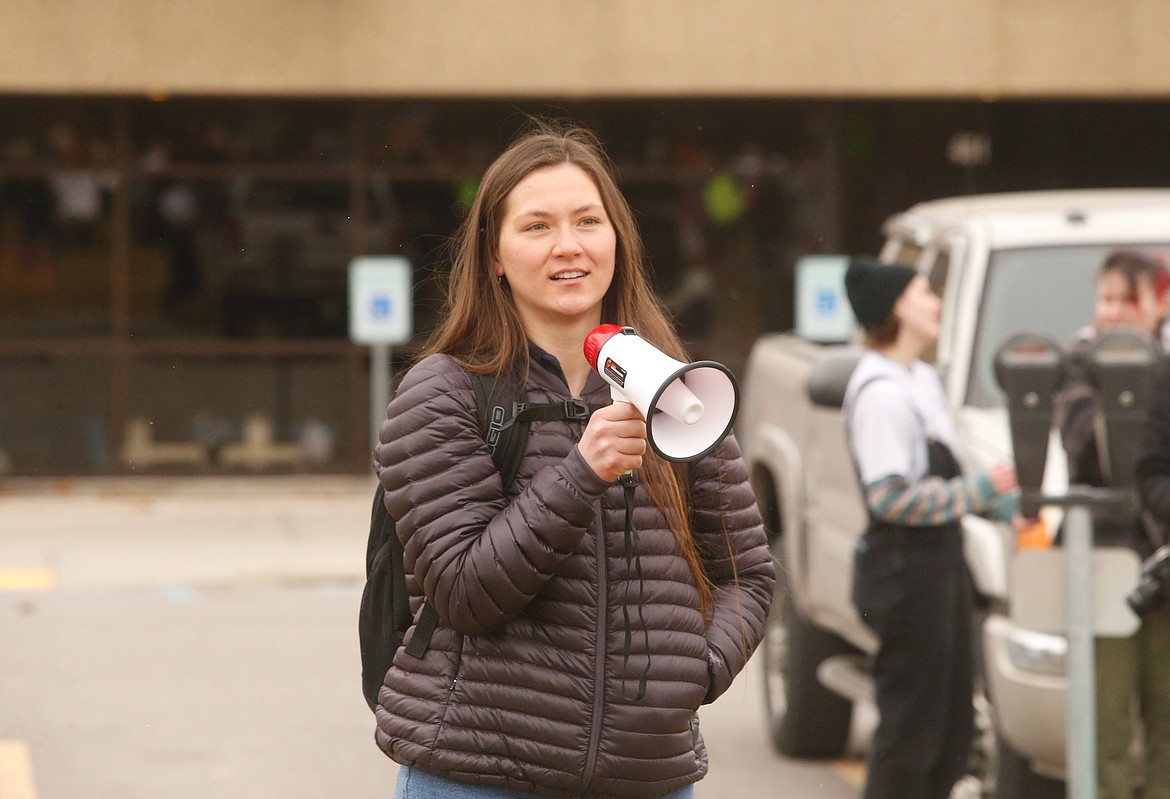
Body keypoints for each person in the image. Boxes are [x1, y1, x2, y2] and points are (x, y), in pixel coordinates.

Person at [371, 121, 775, 799]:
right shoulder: (445, 391)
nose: (569, 246)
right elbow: (465, 590)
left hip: (647, 776)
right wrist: (580, 472)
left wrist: (695, 668)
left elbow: (749, 574)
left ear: (617, 238)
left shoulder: (674, 390)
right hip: (479, 775)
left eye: (589, 221)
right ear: (494, 256)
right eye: (537, 227)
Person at [842, 257, 1019, 799]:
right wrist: (979, 492)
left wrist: (1004, 505)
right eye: (925, 292)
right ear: (897, 306)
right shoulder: (881, 393)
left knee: (950, 731)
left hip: (940, 570)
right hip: (905, 576)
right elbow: (891, 497)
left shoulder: (920, 379)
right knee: (911, 733)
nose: (936, 303)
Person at [1057, 248, 1170, 799]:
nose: (1114, 311)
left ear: (1159, 302)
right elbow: (1091, 452)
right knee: (1108, 722)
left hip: (1163, 560)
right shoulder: (1081, 361)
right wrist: (1122, 383)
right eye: (1106, 298)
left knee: (1166, 722)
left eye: (1128, 299)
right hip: (1103, 560)